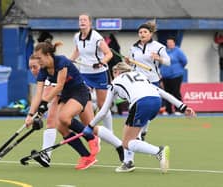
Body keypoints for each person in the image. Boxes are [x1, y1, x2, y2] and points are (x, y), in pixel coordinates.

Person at [82, 62, 196, 173]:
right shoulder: (141, 76)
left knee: (127, 142)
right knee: (129, 133)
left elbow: (103, 111)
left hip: (141, 103)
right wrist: (183, 107)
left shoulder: (115, 83)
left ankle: (158, 151)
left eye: (113, 73)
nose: (112, 76)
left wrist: (90, 126)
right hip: (156, 102)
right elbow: (163, 93)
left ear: (116, 72)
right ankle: (128, 162)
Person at [26, 41, 101, 170]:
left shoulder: (61, 61)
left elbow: (60, 85)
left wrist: (45, 102)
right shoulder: (43, 71)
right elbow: (38, 94)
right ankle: (86, 156)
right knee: (61, 126)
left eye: (40, 58)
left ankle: (91, 137)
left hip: (79, 91)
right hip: (66, 94)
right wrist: (30, 114)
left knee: (64, 117)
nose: (38, 61)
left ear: (48, 55)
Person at [125, 20, 171, 140]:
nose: (142, 34)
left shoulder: (158, 47)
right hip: (138, 81)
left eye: (145, 32)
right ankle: (138, 135)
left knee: (149, 109)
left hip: (152, 80)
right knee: (137, 106)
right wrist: (128, 62)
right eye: (140, 32)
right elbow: (131, 64)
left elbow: (168, 62)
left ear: (150, 34)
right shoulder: (133, 48)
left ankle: (144, 130)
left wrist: (158, 58)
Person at [70, 13, 114, 132]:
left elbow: (109, 54)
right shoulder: (76, 36)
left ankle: (110, 132)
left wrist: (101, 62)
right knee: (84, 100)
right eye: (80, 20)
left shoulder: (96, 37)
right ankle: (91, 130)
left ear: (90, 23)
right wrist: (71, 60)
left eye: (85, 20)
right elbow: (77, 50)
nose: (82, 22)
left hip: (99, 74)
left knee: (102, 104)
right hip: (84, 73)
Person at [160, 36, 188, 115]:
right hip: (165, 76)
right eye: (168, 42)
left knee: (176, 93)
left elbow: (184, 61)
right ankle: (168, 110)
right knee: (167, 94)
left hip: (176, 76)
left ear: (174, 43)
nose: (169, 44)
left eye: (171, 42)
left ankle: (178, 110)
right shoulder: (164, 51)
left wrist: (177, 69)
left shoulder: (178, 51)